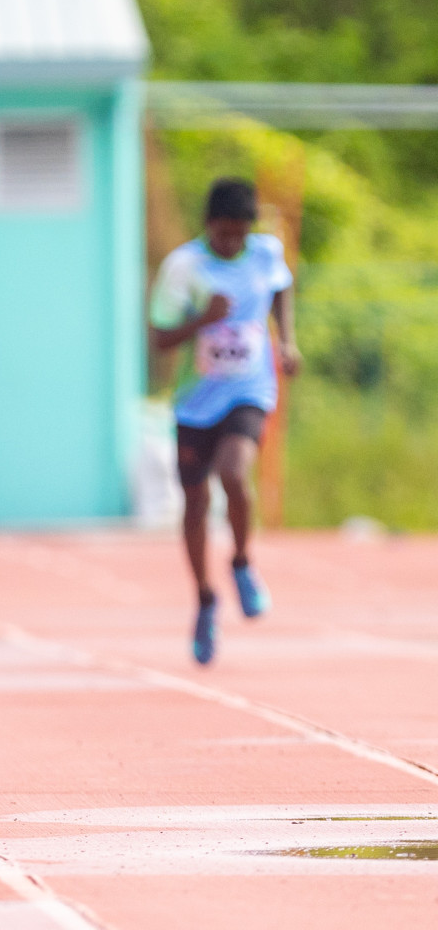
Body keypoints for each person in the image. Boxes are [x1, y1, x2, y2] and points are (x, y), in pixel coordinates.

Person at [149, 177, 301, 665]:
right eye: (223, 233)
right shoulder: (184, 266)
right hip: (197, 401)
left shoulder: (265, 254)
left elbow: (281, 290)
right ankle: (205, 600)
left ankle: (241, 562)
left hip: (249, 388)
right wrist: (203, 319)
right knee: (195, 500)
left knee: (235, 473)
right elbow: (160, 338)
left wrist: (286, 341)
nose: (232, 242)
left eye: (240, 233)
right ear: (208, 225)